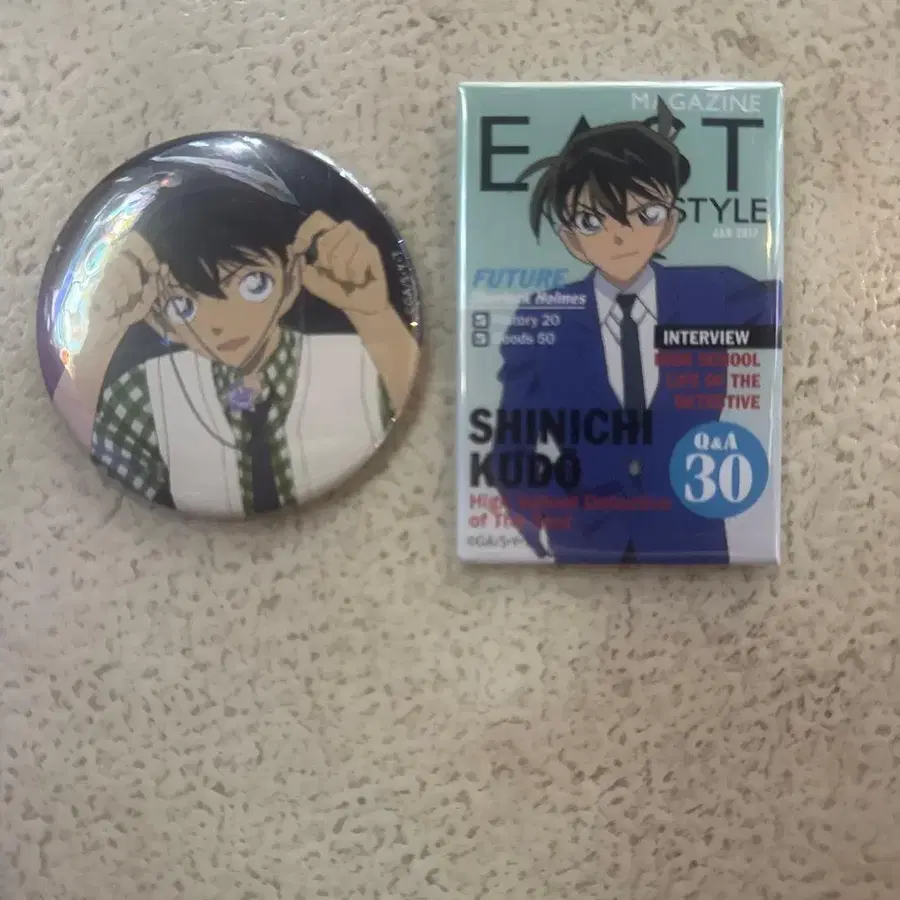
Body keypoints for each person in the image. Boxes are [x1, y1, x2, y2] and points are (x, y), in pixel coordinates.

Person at [493, 99, 780, 564]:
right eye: (592, 221)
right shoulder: (544, 315)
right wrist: (542, 517)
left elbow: (794, 312)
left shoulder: (716, 292)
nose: (620, 235)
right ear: (571, 238)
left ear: (669, 224)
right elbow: (513, 442)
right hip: (584, 545)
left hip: (692, 542)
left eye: (644, 214)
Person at [51, 159, 419, 516]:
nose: (220, 324)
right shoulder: (144, 391)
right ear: (158, 320)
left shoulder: (363, 359)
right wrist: (101, 337)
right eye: (183, 305)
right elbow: (89, 447)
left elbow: (414, 416)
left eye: (253, 284)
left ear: (292, 277)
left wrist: (374, 316)